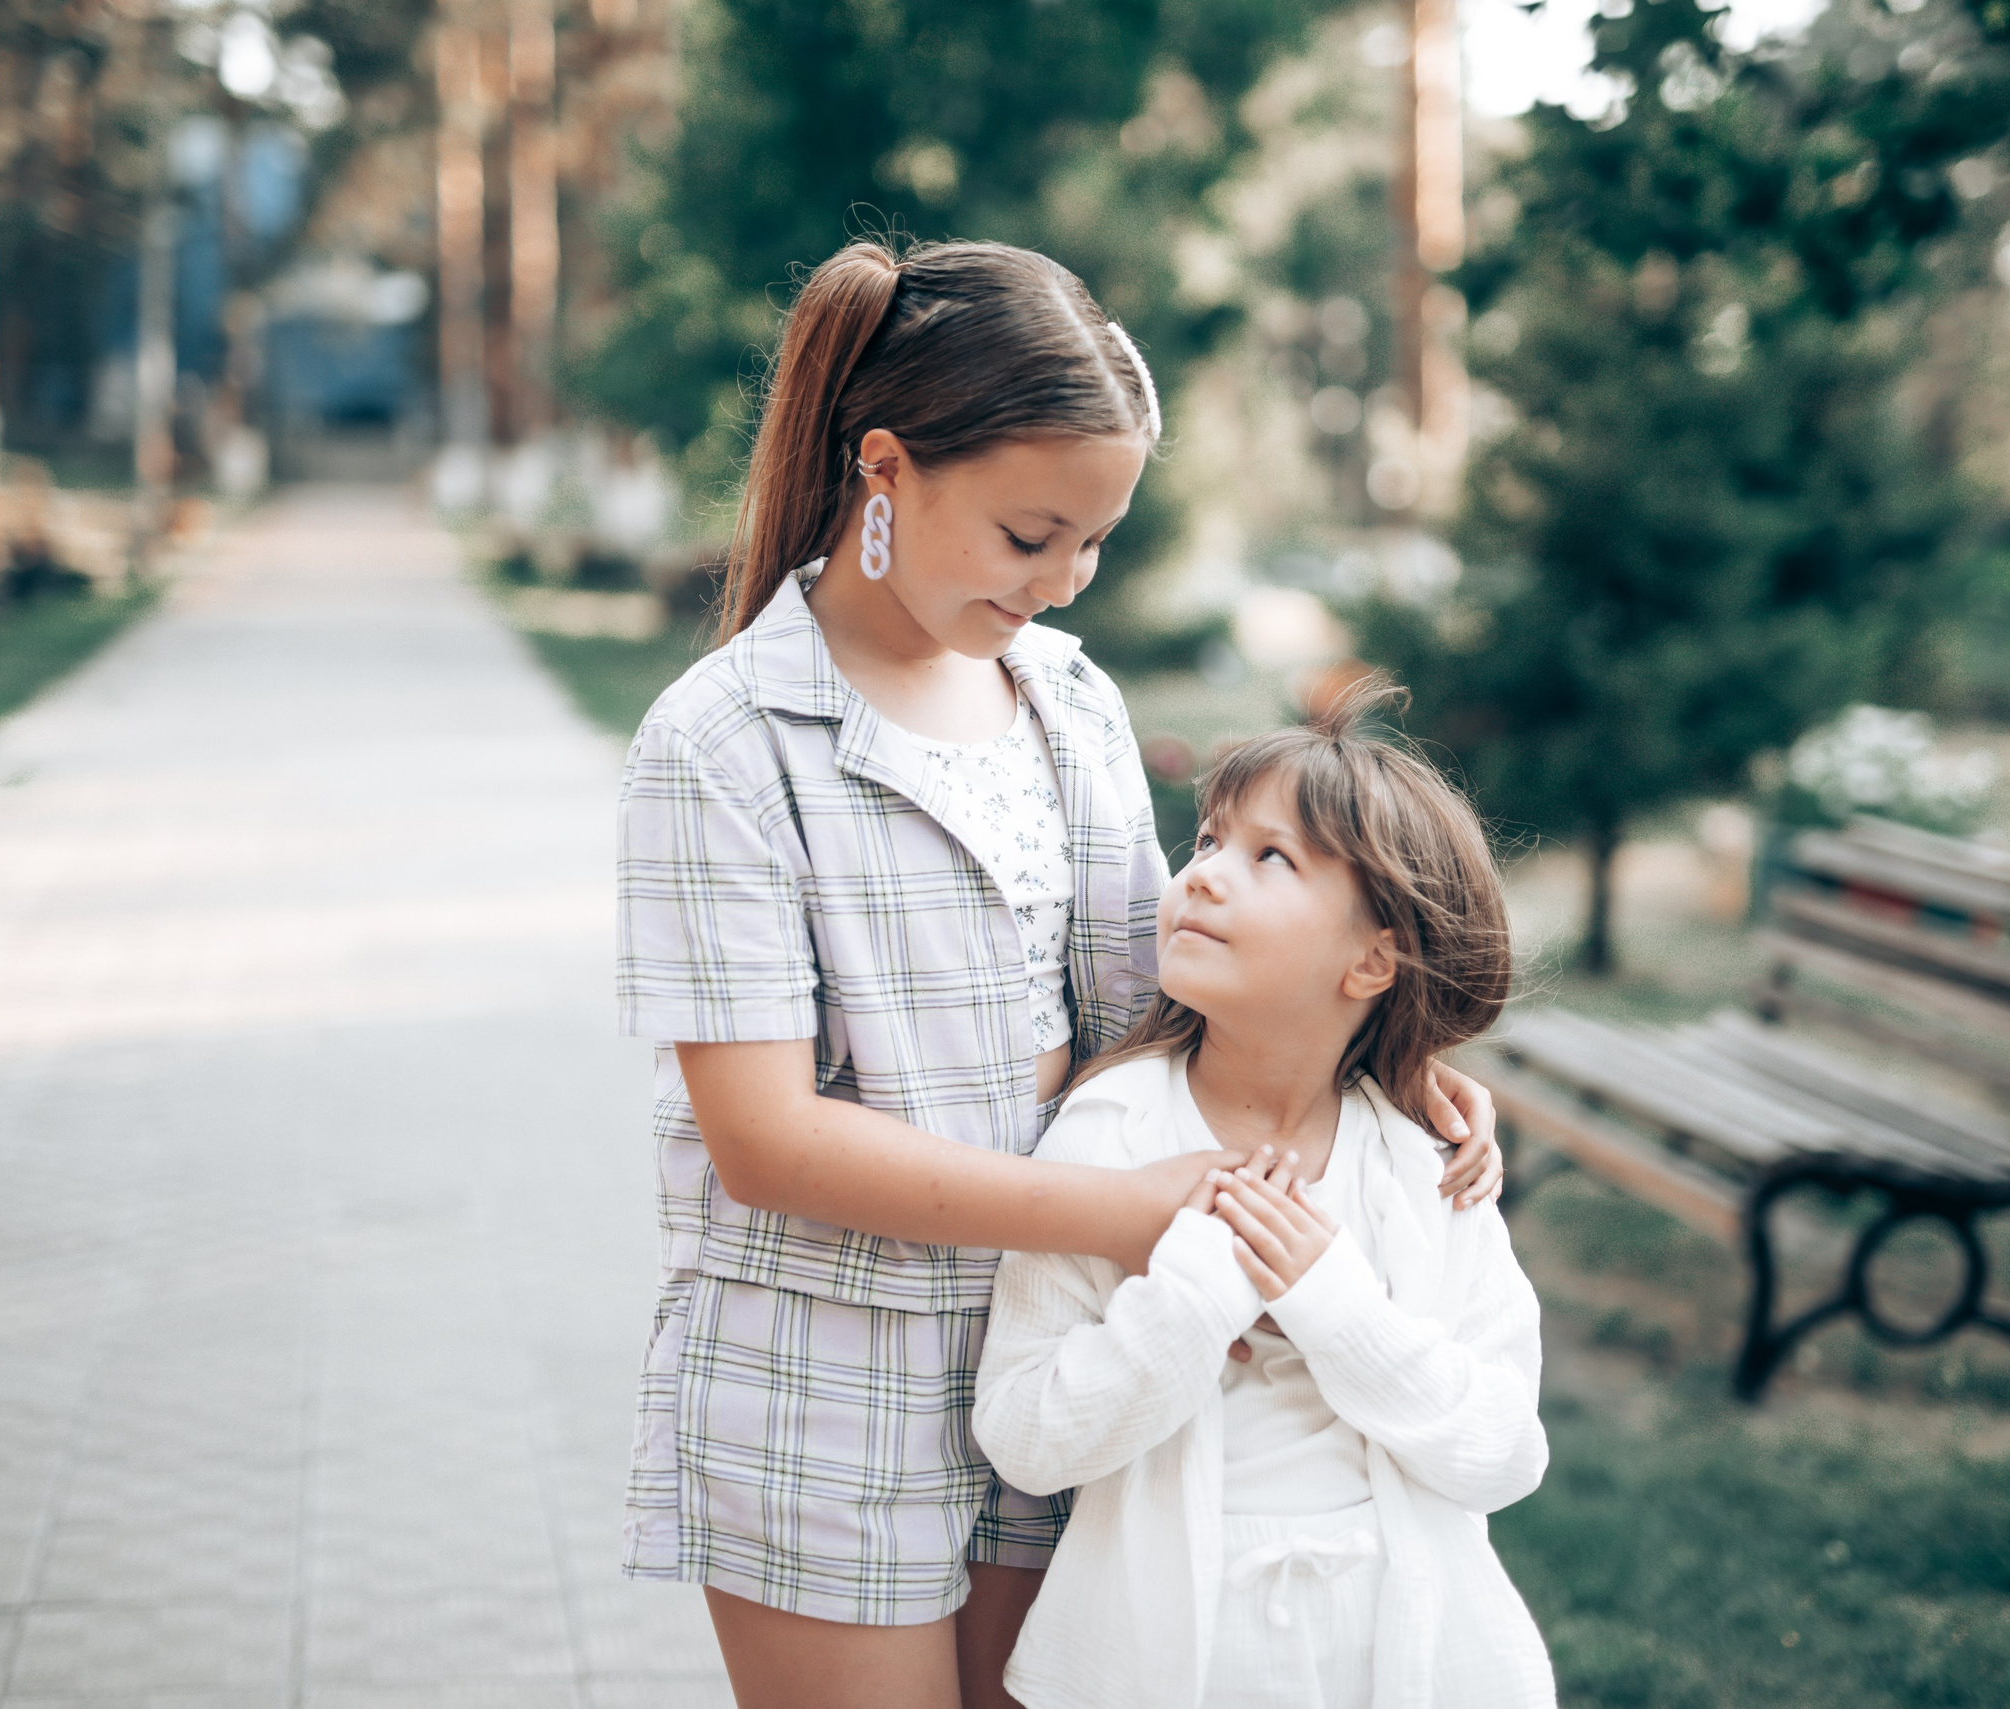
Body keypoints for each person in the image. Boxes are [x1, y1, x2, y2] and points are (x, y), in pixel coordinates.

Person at [616, 237, 1509, 1709]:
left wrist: (1393, 1059)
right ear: (885, 468)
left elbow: (1161, 984)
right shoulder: (721, 746)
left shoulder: (1070, 703)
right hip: (833, 1388)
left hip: (1078, 1367)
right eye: (1031, 536)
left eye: (1094, 544)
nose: (1064, 580)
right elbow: (763, 1142)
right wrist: (1121, 1211)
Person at [973, 685, 1554, 1709]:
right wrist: (1196, 1292)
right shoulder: (1114, 1128)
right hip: (1177, 1658)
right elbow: (1023, 1433)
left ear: (1373, 957)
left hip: (1395, 1655)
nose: (1200, 876)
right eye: (1204, 841)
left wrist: (1334, 1305)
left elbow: (1504, 1449)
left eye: (1268, 857)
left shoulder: (1424, 1162)